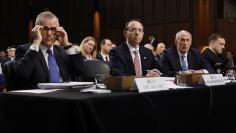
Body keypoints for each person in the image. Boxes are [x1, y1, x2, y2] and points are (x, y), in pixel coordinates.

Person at [13, 11, 84, 90]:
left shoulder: (62, 51)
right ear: (36, 30)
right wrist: (36, 41)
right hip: (40, 99)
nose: (49, 33)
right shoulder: (25, 50)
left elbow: (79, 72)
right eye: (45, 29)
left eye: (53, 29)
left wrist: (66, 44)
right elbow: (22, 75)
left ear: (58, 31)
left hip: (64, 97)